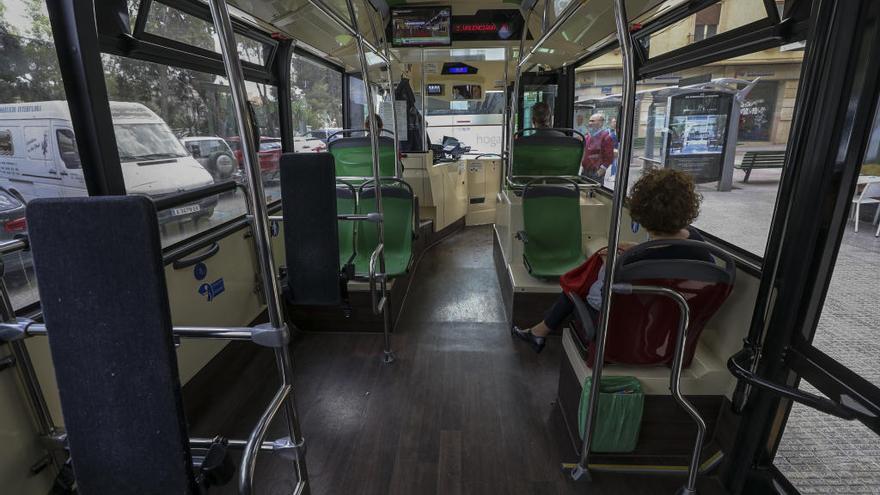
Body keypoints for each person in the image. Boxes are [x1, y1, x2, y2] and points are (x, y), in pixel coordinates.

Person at [512, 168, 713, 353]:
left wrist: (609, 264)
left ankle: (539, 332)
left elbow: (601, 298)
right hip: (673, 333)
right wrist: (635, 249)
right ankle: (539, 332)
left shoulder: (630, 265)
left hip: (625, 330)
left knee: (578, 287)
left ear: (640, 213)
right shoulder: (700, 246)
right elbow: (669, 252)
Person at [581, 113, 615, 180]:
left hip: (595, 172)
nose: (590, 123)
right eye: (589, 121)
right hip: (585, 171)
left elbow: (609, 156)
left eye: (592, 121)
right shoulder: (588, 136)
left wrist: (600, 172)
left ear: (600, 123)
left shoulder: (606, 137)